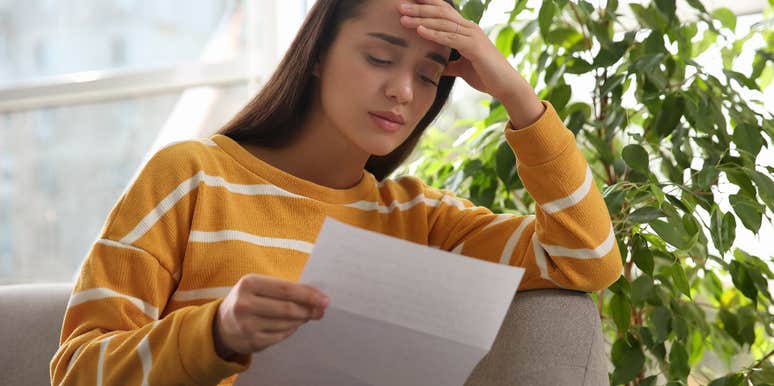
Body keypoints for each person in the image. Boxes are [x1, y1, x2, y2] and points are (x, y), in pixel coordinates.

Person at [50, 0, 623, 384]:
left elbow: (587, 256)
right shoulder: (191, 176)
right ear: (319, 53)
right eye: (379, 56)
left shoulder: (421, 221)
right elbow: (76, 370)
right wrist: (217, 332)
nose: (402, 90)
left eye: (427, 75)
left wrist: (518, 97)